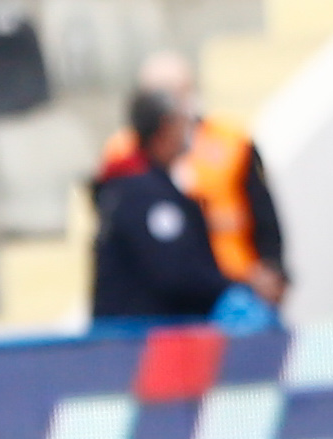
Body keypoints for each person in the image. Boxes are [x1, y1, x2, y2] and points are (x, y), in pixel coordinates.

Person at [94, 51, 288, 307]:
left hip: (235, 285)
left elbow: (263, 214)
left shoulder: (230, 142)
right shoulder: (123, 157)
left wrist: (272, 269)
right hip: (169, 301)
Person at [91, 91, 233, 322]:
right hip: (143, 336)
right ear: (167, 128)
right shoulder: (145, 196)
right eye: (184, 121)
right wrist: (236, 288)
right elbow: (176, 273)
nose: (192, 129)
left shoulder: (145, 187)